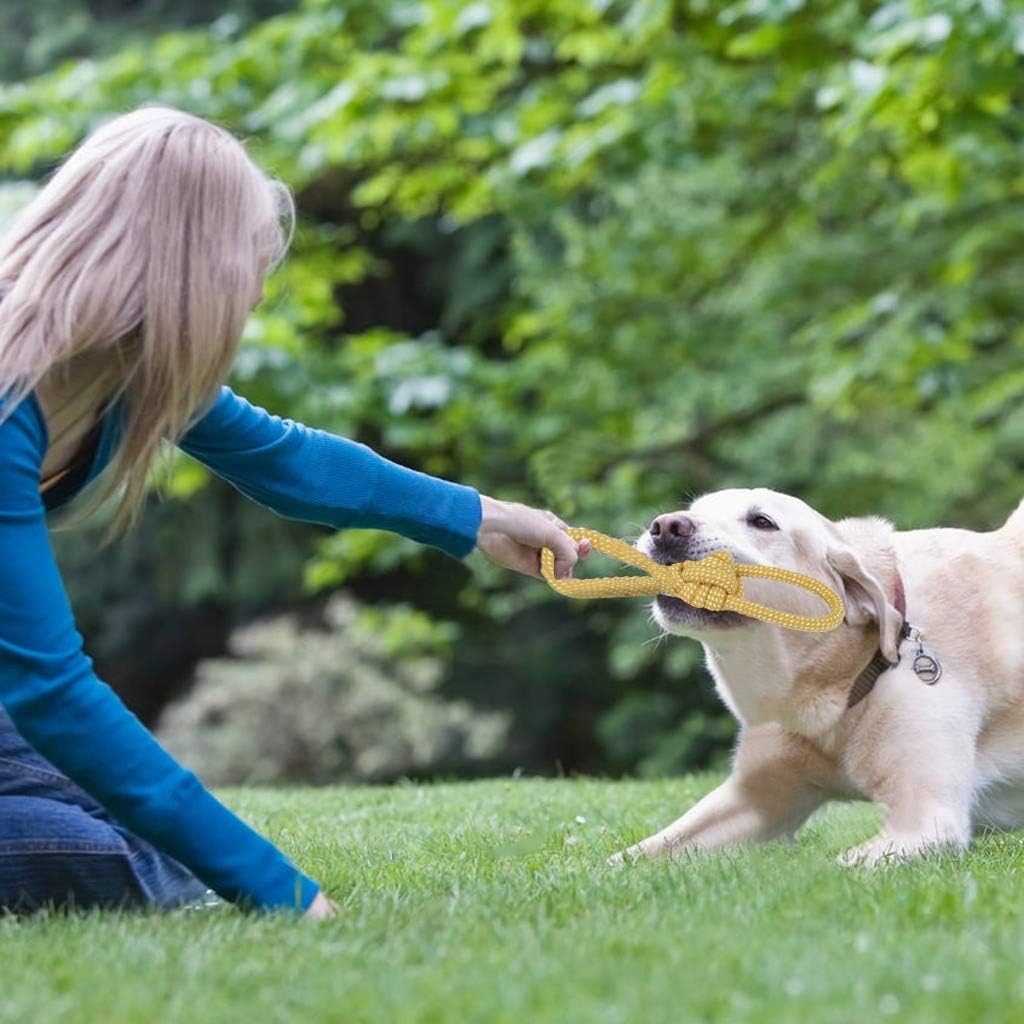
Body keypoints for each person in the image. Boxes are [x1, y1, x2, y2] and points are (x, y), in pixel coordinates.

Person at [0, 106, 590, 919]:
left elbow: (287, 459)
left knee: (145, 837)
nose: (249, 305)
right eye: (246, 278)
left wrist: (481, 517)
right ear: (188, 276)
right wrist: (282, 893)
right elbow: (53, 693)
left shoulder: (124, 371)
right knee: (135, 866)